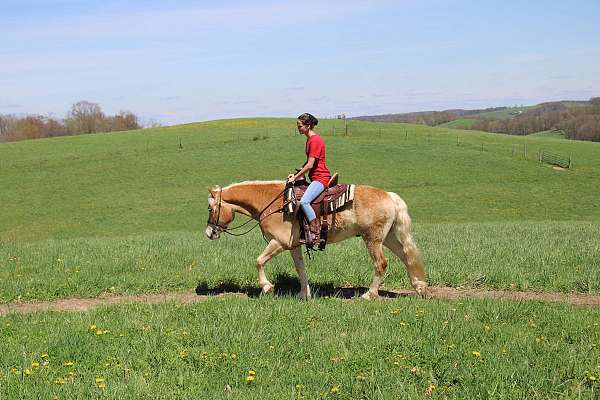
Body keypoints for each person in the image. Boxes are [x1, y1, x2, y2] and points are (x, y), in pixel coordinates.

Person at [287, 112, 331, 246]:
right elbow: (308, 162)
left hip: (321, 178)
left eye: (300, 126)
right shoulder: (309, 140)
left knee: (305, 201)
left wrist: (296, 177)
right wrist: (298, 173)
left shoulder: (315, 140)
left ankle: (315, 229)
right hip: (315, 177)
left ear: (308, 125)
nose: (298, 128)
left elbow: (311, 165)